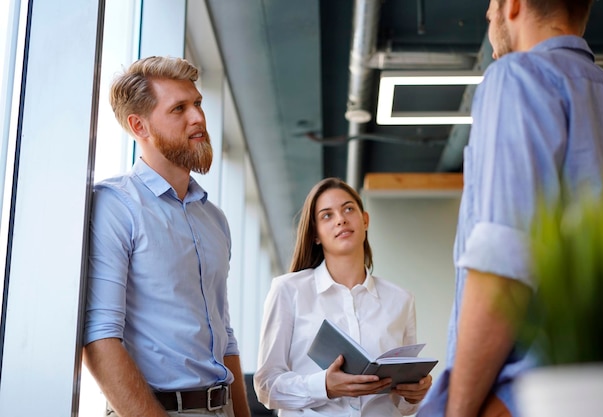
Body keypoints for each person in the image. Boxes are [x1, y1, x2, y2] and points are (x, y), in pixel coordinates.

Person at [417, 1, 603, 417]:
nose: (488, 16)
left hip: (527, 398)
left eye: (491, 4)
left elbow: (503, 268)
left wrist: (458, 410)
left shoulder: (516, 77)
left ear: (512, 5)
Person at [83, 56, 251, 417]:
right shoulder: (116, 207)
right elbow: (99, 338)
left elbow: (225, 335)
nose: (198, 118)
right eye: (179, 109)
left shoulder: (214, 219)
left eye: (198, 104)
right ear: (138, 125)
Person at [254, 177, 433, 417]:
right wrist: (324, 386)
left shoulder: (401, 300)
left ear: (365, 220)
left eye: (348, 209)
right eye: (327, 215)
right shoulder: (288, 290)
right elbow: (266, 387)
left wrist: (416, 394)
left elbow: (403, 405)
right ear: (315, 234)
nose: (341, 219)